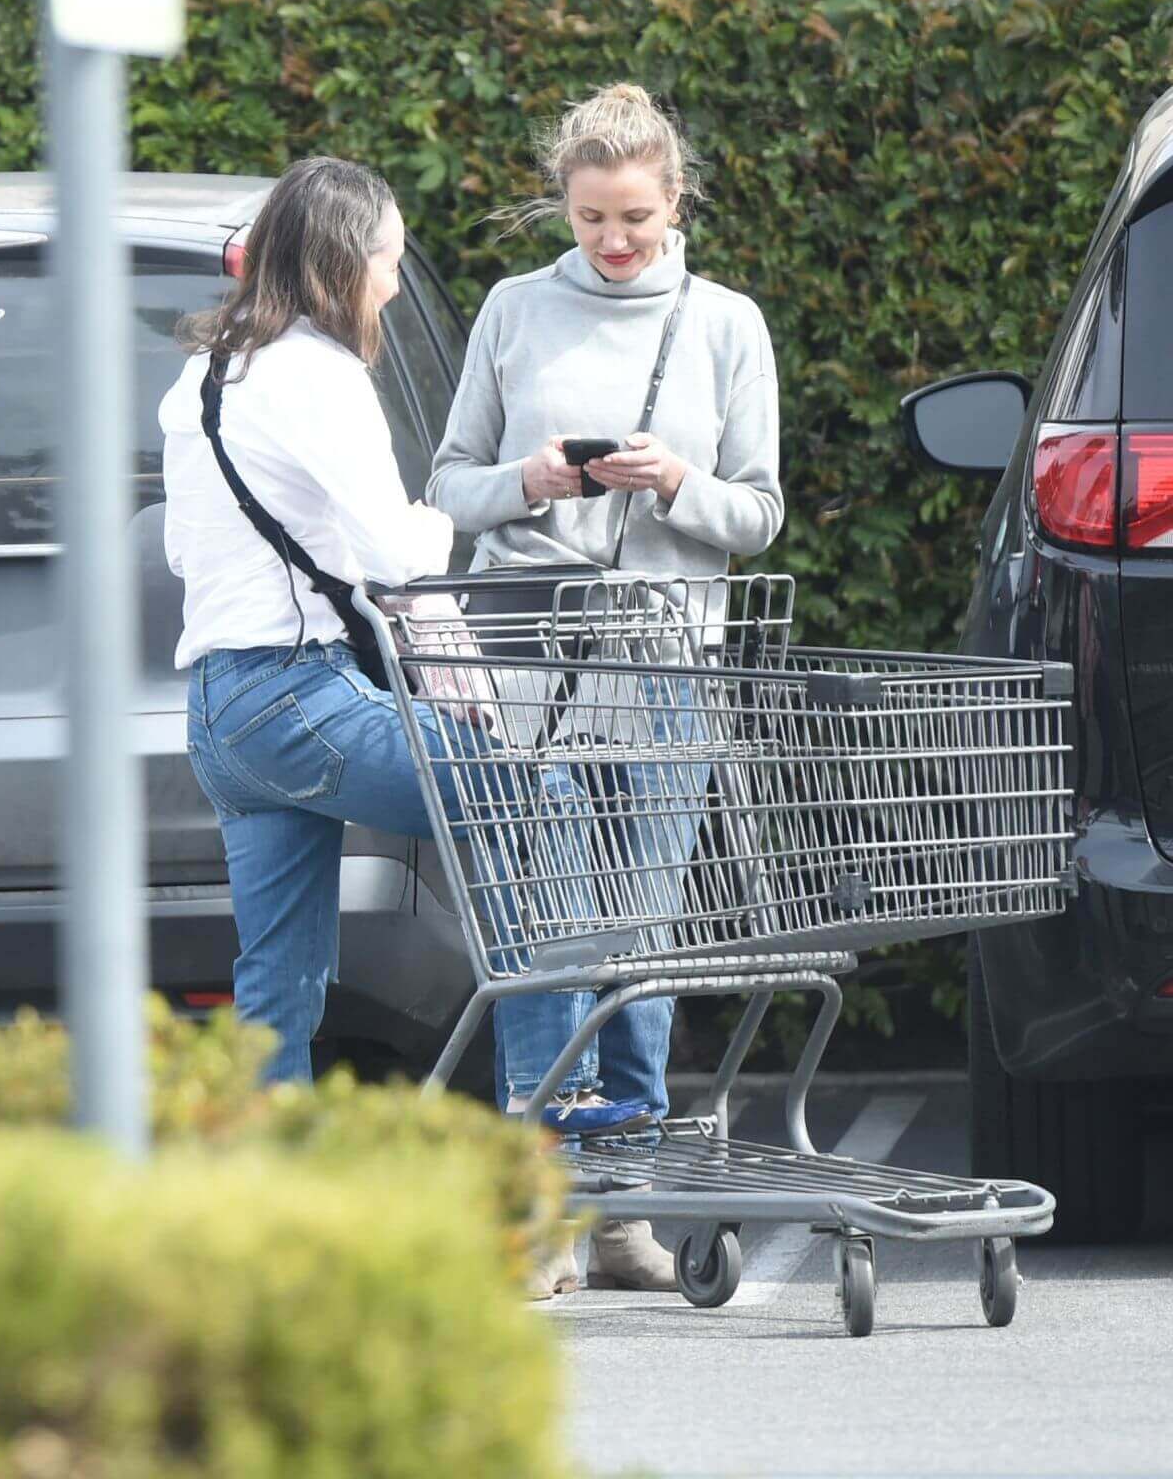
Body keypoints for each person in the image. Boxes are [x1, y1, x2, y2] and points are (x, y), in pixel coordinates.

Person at [428, 84, 785, 1294]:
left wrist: (676, 481)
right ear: (563, 207)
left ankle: (622, 1202)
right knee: (548, 931)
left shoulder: (726, 323)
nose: (613, 240)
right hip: (528, 648)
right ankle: (540, 1206)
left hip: (665, 655)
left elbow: (759, 512)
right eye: (589, 218)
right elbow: (447, 486)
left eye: (633, 216)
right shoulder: (513, 311)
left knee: (634, 937)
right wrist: (532, 480)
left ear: (676, 200)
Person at [159, 156, 603, 1090]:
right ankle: (550, 1101)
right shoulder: (318, 377)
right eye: (389, 263)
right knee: (537, 804)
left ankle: (267, 1191)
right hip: (296, 692)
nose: (395, 285)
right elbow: (400, 555)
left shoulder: (205, 376)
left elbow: (181, 552)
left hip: (218, 713)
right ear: (340, 264)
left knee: (279, 980)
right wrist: (456, 515)